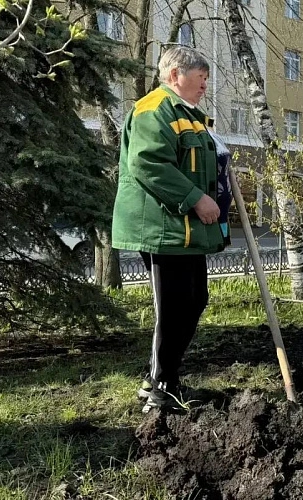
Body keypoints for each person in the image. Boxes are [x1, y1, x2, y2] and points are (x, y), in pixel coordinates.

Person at [112, 46, 228, 412]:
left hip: (185, 233)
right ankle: (161, 390)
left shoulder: (191, 116)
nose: (205, 86)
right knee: (174, 308)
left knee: (194, 301)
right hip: (163, 229)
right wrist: (196, 198)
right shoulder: (153, 109)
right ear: (176, 74)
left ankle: (160, 377)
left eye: (207, 79)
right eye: (200, 78)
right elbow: (147, 162)